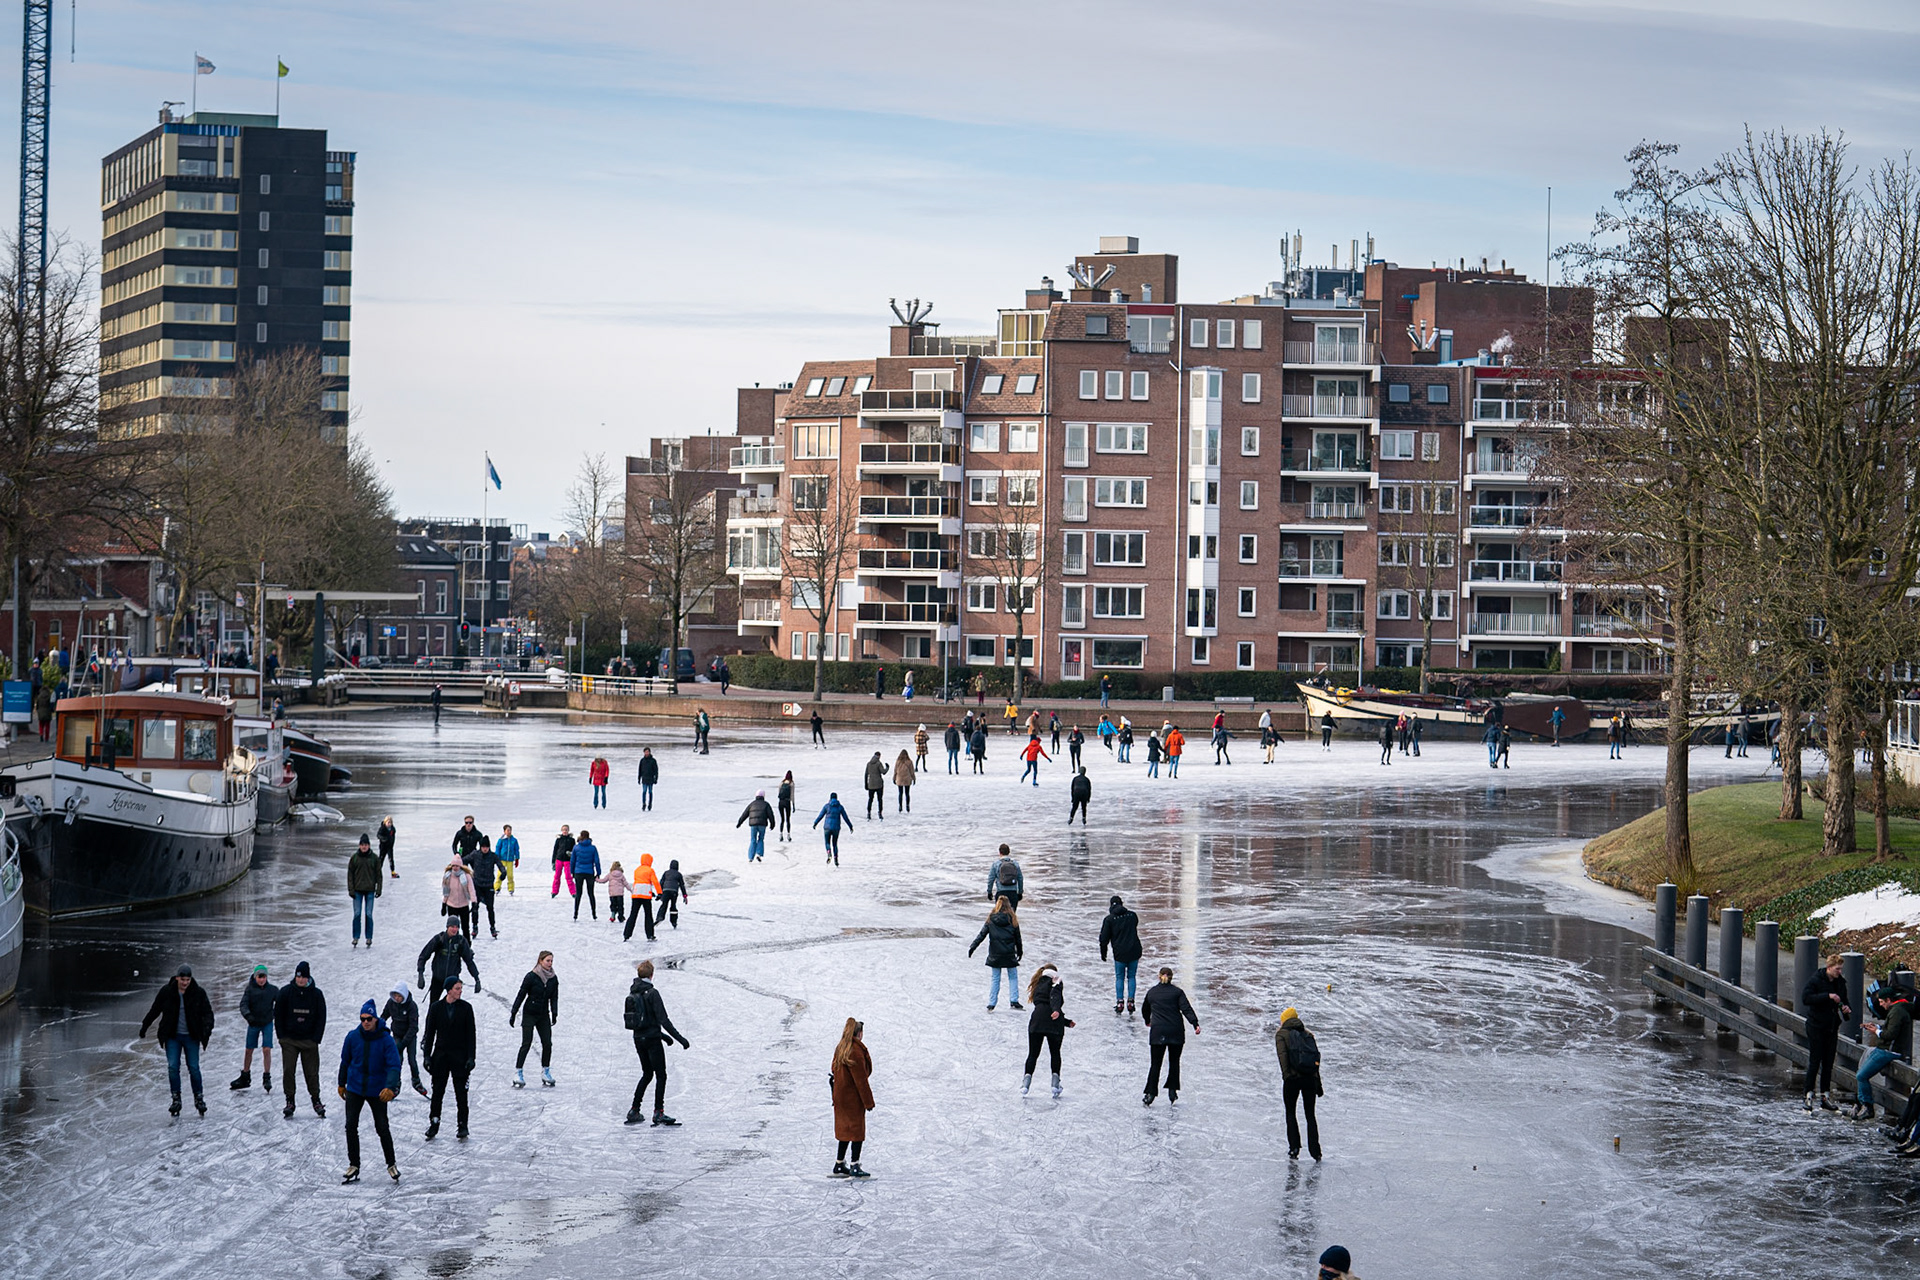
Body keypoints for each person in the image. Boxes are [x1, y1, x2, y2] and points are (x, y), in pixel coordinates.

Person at [337, 999, 402, 1184]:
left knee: (382, 1127)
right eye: (362, 1018)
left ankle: (391, 1164)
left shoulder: (385, 1040)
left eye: (369, 1018)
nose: (365, 1022)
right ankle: (354, 1165)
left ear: (375, 1019)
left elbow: (394, 1065)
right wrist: (341, 1083)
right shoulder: (352, 1037)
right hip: (356, 1088)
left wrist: (390, 1087)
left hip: (377, 1090)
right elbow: (345, 1061)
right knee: (350, 1126)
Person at [140, 963, 215, 1116]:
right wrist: (145, 1026)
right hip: (172, 1036)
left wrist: (205, 1031)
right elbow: (155, 1010)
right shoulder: (167, 992)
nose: (185, 983)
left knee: (193, 1067)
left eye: (187, 980)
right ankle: (176, 1099)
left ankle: (199, 1098)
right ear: (177, 978)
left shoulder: (198, 993)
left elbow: (208, 1014)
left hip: (191, 1037)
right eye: (182, 979)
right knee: (173, 1067)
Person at [624, 959, 691, 1127]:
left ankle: (634, 1109)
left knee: (647, 1074)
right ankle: (658, 1112)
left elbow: (644, 1021)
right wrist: (680, 1039)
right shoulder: (653, 993)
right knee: (661, 1075)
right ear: (652, 975)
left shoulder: (634, 992)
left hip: (638, 1039)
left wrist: (664, 1037)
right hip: (652, 1041)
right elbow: (663, 1019)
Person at [422, 977, 477, 1141]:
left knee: (461, 1093)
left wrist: (471, 1057)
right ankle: (434, 1122)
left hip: (460, 1057)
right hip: (441, 1056)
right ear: (449, 990)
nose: (460, 991)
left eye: (461, 988)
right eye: (457, 988)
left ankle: (462, 1125)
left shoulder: (466, 1008)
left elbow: (471, 1035)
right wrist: (427, 1056)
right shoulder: (436, 1008)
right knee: (438, 1091)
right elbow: (430, 1033)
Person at [274, 960, 328, 1118]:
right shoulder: (285, 992)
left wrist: (316, 1038)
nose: (300, 980)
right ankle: (290, 1101)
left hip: (309, 1041)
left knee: (311, 1072)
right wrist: (282, 1037)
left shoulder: (316, 994)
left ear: (308, 978)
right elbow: (278, 1015)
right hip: (289, 1040)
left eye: (303, 977)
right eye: (298, 977)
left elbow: (321, 1017)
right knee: (288, 1070)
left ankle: (316, 1100)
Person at [1849, 983, 1911, 1121]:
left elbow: (1890, 1035)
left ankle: (1867, 1106)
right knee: (1865, 1058)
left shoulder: (1897, 1012)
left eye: (1882, 1002)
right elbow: (1889, 1028)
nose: (1881, 1005)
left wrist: (1876, 1031)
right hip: (1885, 1049)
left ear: (1889, 1000)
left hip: (1889, 1051)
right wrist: (1876, 1026)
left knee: (1861, 1075)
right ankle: (1859, 1103)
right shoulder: (1897, 1010)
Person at [1140, 966, 1199, 1106]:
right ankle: (1172, 1091)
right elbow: (1186, 1008)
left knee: (1155, 1064)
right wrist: (1195, 1023)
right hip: (1176, 1031)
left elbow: (1145, 1009)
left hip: (1158, 1032)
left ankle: (1150, 1094)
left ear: (1159, 976)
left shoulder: (1152, 993)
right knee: (1174, 1062)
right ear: (1171, 977)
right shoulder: (1177, 992)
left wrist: (1148, 1021)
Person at [1802, 955, 1850, 1112]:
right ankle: (1808, 1094)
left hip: (1831, 1026)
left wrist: (1846, 1009)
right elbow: (1806, 998)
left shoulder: (1840, 982)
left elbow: (1844, 999)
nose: (1839, 972)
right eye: (1837, 969)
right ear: (1829, 967)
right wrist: (1827, 996)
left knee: (1828, 1063)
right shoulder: (1816, 980)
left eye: (1841, 969)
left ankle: (1825, 1096)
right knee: (1815, 1060)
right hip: (1816, 1025)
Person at [1276, 1006, 1323, 1160]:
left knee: (1291, 1113)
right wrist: (1318, 1083)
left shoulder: (1281, 1034)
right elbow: (1315, 1059)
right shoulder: (1308, 1034)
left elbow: (1282, 1057)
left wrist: (1287, 1077)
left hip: (1293, 1080)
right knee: (1310, 1115)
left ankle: (1294, 1148)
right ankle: (1316, 1151)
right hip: (1309, 1078)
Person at [830, 1018, 875, 1178]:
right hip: (852, 1098)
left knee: (844, 1130)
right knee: (856, 1131)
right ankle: (855, 1165)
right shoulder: (855, 1051)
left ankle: (839, 1163)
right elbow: (860, 1080)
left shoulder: (841, 1047)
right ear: (859, 1033)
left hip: (839, 1096)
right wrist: (868, 1102)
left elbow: (833, 1069)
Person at [509, 950, 560, 1089]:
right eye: (547, 960)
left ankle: (545, 1071)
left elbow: (554, 997)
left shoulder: (553, 978)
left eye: (551, 961)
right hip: (530, 1013)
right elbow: (521, 994)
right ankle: (518, 1072)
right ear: (540, 961)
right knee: (526, 1042)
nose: (550, 963)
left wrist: (554, 1012)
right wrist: (514, 1012)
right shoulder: (531, 976)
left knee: (547, 1043)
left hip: (543, 1014)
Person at [1022, 964, 1072, 1098]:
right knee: (1055, 1054)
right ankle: (1055, 1084)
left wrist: (1066, 1021)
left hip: (1037, 1021)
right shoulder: (1056, 982)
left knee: (1033, 1054)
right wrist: (1056, 1010)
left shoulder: (1038, 985)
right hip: (1053, 1023)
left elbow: (1043, 1005)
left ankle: (1026, 1083)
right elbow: (1054, 998)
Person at [969, 896, 1024, 1011]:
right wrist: (1019, 951)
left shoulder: (991, 919)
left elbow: (981, 935)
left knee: (995, 978)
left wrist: (972, 947)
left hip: (995, 954)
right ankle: (1014, 1000)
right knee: (1013, 977)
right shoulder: (1012, 919)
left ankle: (992, 1003)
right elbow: (1018, 938)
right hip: (1009, 953)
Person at [231, 963, 278, 1092]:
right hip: (254, 1024)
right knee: (248, 1050)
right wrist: (248, 1016)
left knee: (266, 1049)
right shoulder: (250, 990)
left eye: (263, 977)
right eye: (259, 977)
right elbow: (243, 1004)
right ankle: (245, 1075)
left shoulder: (272, 990)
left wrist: (274, 1013)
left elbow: (281, 1003)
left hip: (267, 1023)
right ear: (255, 976)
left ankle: (267, 1076)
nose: (262, 979)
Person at [381, 981, 428, 1097]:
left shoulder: (412, 1006)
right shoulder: (391, 1003)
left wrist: (404, 1043)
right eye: (395, 996)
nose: (397, 998)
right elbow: (384, 1015)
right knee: (397, 1060)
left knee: (412, 1060)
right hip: (397, 1034)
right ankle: (396, 1085)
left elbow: (413, 1027)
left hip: (410, 1037)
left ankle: (416, 1082)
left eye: (399, 996)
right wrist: (379, 1027)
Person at [417, 917, 481, 1003]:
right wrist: (420, 973)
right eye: (452, 926)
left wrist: (476, 978)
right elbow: (424, 955)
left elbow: (469, 961)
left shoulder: (461, 942)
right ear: (447, 927)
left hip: (453, 980)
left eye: (457, 927)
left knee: (454, 1007)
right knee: (433, 1006)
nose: (455, 929)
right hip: (438, 978)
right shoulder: (439, 939)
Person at [1099, 895, 1143, 1014]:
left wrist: (1103, 954)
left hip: (1120, 953)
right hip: (1134, 950)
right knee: (1131, 976)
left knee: (1120, 977)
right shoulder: (1132, 915)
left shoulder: (1109, 919)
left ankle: (1120, 1002)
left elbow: (1104, 939)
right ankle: (1131, 1001)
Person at [347, 834, 383, 948]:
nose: (364, 847)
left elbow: (379, 875)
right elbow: (350, 875)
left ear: (369, 845)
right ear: (359, 845)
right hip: (357, 891)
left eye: (366, 845)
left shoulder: (374, 858)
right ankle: (356, 937)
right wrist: (351, 890)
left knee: (368, 914)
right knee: (357, 914)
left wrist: (379, 889)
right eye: (362, 845)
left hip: (370, 891)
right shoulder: (354, 858)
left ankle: (369, 937)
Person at [465, 836, 503, 940]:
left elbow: (500, 865)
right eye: (483, 847)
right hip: (477, 885)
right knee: (475, 907)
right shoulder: (475, 854)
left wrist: (503, 873)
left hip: (488, 886)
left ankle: (492, 927)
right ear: (480, 847)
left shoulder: (493, 856)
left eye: (486, 847)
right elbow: (465, 860)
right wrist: (463, 870)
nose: (485, 849)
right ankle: (475, 927)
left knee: (490, 908)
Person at [626, 853, 662, 942]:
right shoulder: (650, 870)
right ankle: (650, 935)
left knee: (633, 915)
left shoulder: (637, 870)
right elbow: (655, 882)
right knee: (648, 915)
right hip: (645, 895)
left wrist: (651, 892)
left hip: (636, 894)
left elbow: (640, 882)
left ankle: (626, 934)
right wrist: (659, 893)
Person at [440, 857, 477, 938]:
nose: (455, 868)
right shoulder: (448, 876)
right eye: (453, 866)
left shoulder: (466, 876)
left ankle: (467, 945)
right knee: (453, 928)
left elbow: (471, 890)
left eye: (457, 866)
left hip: (463, 905)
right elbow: (446, 892)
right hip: (451, 905)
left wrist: (474, 902)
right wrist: (444, 904)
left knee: (465, 927)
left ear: (460, 866)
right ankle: (452, 944)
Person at [571, 830, 602, 919]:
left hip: (578, 872)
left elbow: (572, 861)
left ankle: (575, 913)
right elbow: (597, 861)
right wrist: (598, 872)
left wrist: (572, 871)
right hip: (589, 872)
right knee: (591, 893)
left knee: (578, 893)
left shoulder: (576, 847)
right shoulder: (593, 848)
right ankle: (594, 914)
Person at [814, 792, 851, 865]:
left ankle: (829, 853)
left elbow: (820, 815)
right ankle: (836, 858)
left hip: (827, 827)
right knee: (834, 844)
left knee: (827, 843)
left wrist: (815, 823)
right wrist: (850, 826)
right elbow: (845, 817)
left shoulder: (827, 806)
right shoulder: (840, 807)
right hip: (836, 828)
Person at [738, 790, 775, 861]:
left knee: (753, 840)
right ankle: (759, 854)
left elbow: (745, 814)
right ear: (763, 796)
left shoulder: (752, 804)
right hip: (762, 824)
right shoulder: (766, 804)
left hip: (753, 824)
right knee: (761, 839)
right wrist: (772, 824)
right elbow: (771, 815)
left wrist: (740, 822)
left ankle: (750, 857)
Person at [987, 846, 1024, 910]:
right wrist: (1020, 892)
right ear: (1009, 852)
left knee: (1000, 916)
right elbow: (1020, 878)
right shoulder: (1015, 864)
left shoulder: (996, 864)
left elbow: (991, 879)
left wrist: (989, 892)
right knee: (1012, 916)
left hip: (1001, 893)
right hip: (1013, 893)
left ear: (1000, 852)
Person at [656, 858, 688, 928]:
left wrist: (659, 893)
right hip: (674, 892)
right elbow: (682, 885)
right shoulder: (679, 874)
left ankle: (660, 917)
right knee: (673, 906)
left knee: (664, 904)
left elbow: (661, 883)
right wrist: (685, 896)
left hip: (665, 891)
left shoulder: (666, 873)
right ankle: (674, 922)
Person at [550, 824, 576, 898]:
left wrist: (571, 854)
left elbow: (574, 851)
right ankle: (554, 891)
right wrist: (553, 862)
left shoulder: (571, 840)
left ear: (568, 831)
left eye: (566, 830)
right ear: (561, 831)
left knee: (568, 877)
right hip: (559, 860)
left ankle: (573, 892)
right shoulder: (558, 840)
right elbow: (555, 851)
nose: (565, 831)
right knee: (557, 876)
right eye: (564, 830)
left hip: (568, 861)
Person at [495, 824, 520, 895]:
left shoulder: (514, 840)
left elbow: (516, 849)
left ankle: (511, 889)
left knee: (510, 875)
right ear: (504, 831)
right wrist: (497, 858)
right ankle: (497, 888)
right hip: (502, 859)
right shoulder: (501, 840)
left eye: (510, 830)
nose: (509, 832)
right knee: (500, 874)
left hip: (510, 860)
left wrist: (517, 858)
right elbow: (498, 848)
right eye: (507, 830)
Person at [863, 750, 887, 819]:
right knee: (880, 799)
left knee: (870, 799)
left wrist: (866, 784)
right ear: (879, 756)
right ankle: (880, 813)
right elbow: (883, 772)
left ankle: (868, 812)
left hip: (871, 784)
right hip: (879, 784)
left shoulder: (869, 764)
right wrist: (887, 768)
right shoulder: (878, 763)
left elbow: (866, 774)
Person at [637, 747, 659, 812]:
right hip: (644, 779)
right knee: (644, 792)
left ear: (649, 752)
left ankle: (650, 804)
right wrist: (639, 778)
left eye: (647, 752)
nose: (646, 753)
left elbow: (656, 770)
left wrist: (656, 778)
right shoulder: (642, 761)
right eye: (645, 752)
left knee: (650, 792)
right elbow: (640, 770)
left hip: (650, 779)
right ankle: (644, 804)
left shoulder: (653, 761)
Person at [776, 771, 795, 840]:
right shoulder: (791, 783)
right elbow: (792, 795)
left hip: (780, 802)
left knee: (782, 819)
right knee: (788, 819)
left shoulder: (782, 782)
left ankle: (780, 835)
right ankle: (788, 835)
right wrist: (793, 804)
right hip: (787, 802)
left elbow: (779, 793)